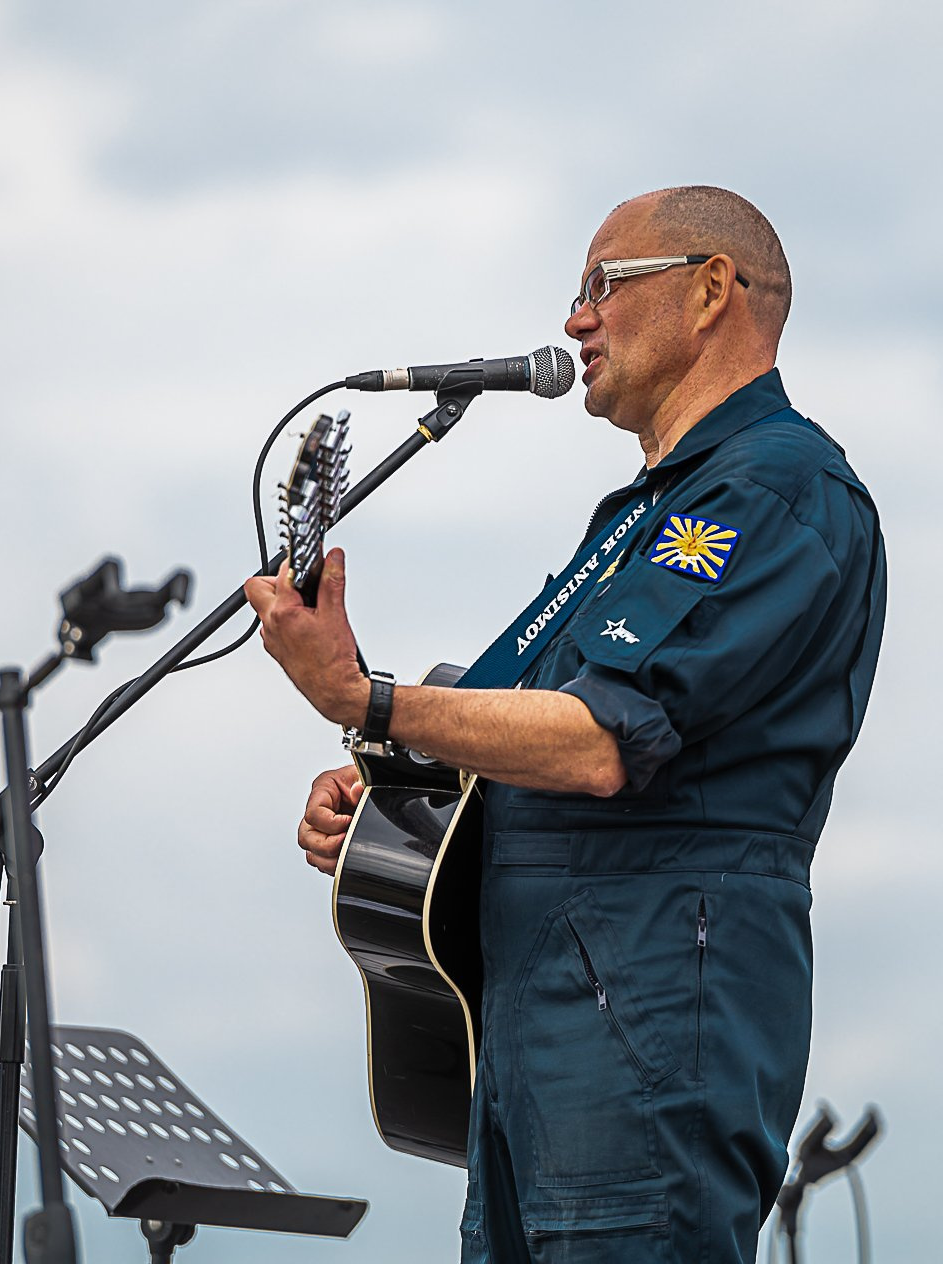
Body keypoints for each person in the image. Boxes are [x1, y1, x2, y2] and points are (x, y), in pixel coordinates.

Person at [244, 185, 886, 1263]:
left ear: (709, 290)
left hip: (643, 1028)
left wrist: (371, 699)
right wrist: (387, 783)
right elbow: (518, 731)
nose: (574, 319)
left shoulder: (775, 489)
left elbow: (598, 741)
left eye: (601, 286)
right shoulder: (643, 514)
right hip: (545, 1039)